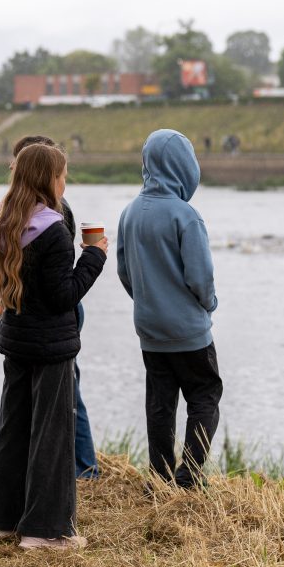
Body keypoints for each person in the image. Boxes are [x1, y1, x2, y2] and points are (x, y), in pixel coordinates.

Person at [0, 143, 107, 549]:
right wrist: (94, 256)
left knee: (14, 429)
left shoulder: (3, 219)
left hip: (16, 339)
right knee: (51, 435)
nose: (64, 182)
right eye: (62, 175)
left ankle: (5, 521)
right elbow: (64, 297)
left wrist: (7, 280)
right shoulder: (54, 231)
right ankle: (45, 532)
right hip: (51, 346)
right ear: (48, 179)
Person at [0, 134, 101, 479]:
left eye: (16, 165)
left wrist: (94, 258)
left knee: (64, 396)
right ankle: (67, 471)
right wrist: (1, 280)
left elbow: (56, 286)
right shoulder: (18, 213)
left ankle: (84, 470)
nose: (11, 170)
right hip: (39, 319)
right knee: (48, 401)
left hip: (54, 318)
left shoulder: (52, 216)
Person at [116, 129, 223, 490]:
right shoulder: (185, 216)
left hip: (150, 330)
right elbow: (201, 278)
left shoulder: (129, 214)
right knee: (204, 396)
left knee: (160, 405)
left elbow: (124, 271)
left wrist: (148, 301)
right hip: (189, 331)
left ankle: (160, 477)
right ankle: (190, 475)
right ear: (184, 167)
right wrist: (209, 305)